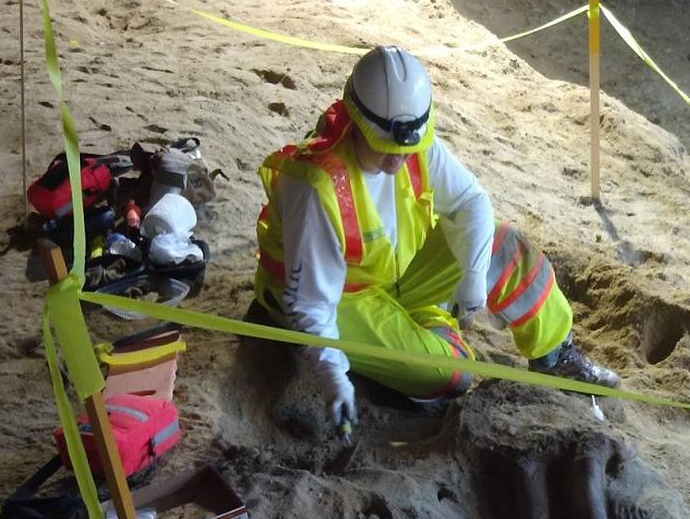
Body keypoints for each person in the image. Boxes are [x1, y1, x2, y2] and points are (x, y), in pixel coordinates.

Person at [253, 46, 619, 439]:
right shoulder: (317, 186)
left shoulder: (412, 140)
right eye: (385, 150)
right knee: (453, 374)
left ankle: (556, 358)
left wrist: (473, 280)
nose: (398, 161)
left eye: (405, 150)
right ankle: (423, 332)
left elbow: (471, 202)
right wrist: (332, 373)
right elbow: (309, 306)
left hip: (393, 275)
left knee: (504, 246)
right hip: (340, 299)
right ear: (357, 125)